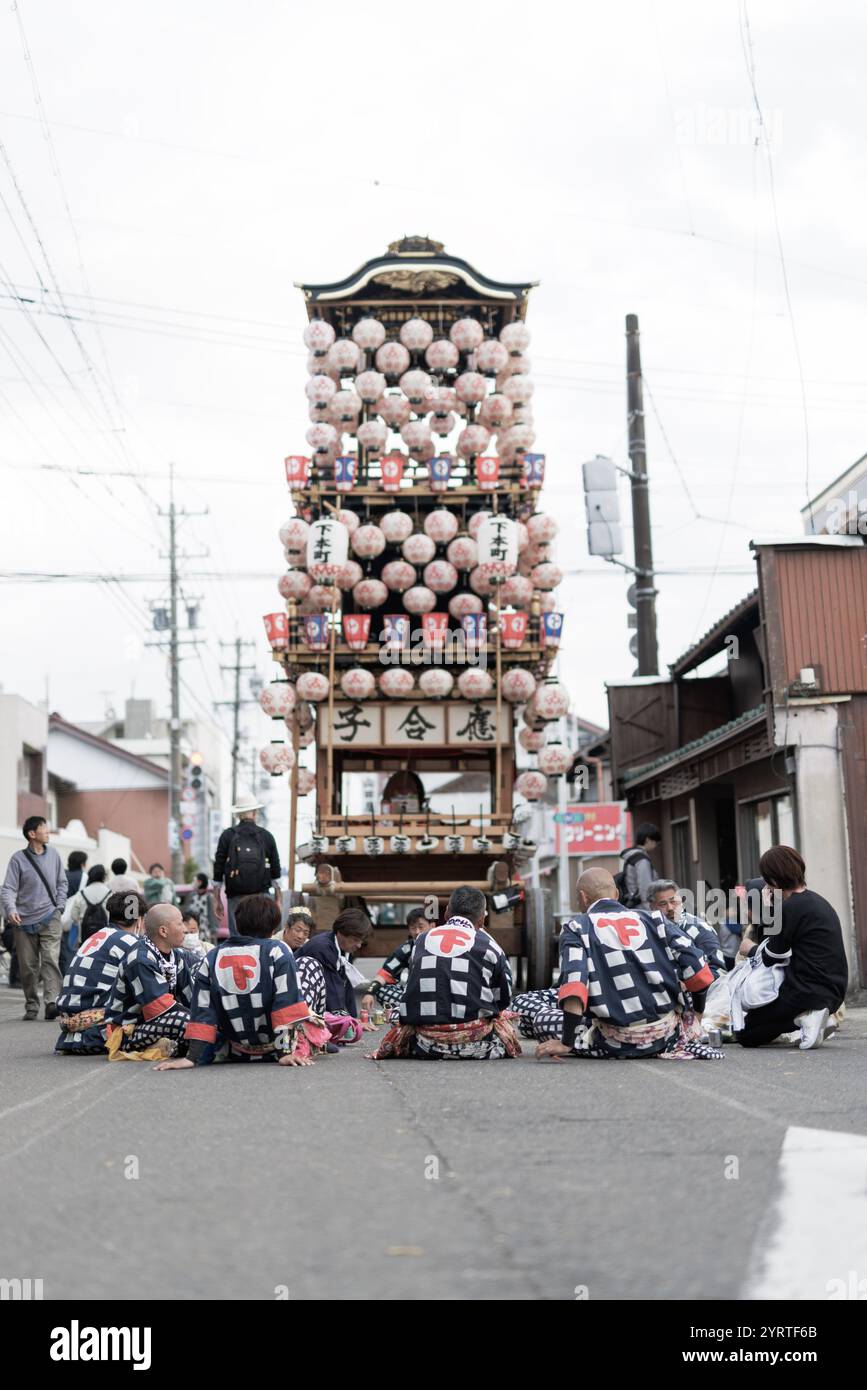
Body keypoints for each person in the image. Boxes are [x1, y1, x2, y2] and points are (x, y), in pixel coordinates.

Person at [531, 868, 720, 1061]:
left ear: (583, 897)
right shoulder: (655, 919)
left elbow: (574, 987)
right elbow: (700, 973)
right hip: (667, 1037)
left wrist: (566, 1042)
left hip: (614, 1042)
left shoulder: (577, 927)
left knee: (540, 1019)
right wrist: (697, 1014)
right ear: (616, 894)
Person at [155, 894, 324, 1070]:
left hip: (236, 1049)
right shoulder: (278, 951)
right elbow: (286, 1005)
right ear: (274, 928)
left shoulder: (212, 956)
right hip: (275, 1049)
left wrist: (191, 1058)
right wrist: (284, 1053)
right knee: (309, 964)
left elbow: (203, 1010)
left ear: (238, 924)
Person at [371, 886, 520, 1061]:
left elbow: (414, 985)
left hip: (424, 1044)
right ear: (481, 920)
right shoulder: (491, 946)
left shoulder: (421, 940)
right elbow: (503, 999)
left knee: (397, 1011)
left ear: (447, 914)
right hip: (478, 1044)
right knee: (508, 1013)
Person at [735, 846, 848, 1051]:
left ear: (774, 881)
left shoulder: (788, 908)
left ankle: (805, 1018)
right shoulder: (819, 902)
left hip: (804, 993)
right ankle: (816, 1018)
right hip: (834, 992)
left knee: (745, 1033)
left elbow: (771, 957)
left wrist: (751, 948)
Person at [55, 892, 147, 1054]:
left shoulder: (95, 937)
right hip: (99, 1032)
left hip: (70, 1031)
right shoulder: (131, 942)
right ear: (139, 920)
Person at [103, 903, 196, 1056]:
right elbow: (159, 1009)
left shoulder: (176, 957)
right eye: (180, 923)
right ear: (163, 931)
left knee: (203, 1021)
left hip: (156, 1024)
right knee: (184, 1021)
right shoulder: (140, 959)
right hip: (127, 1032)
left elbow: (191, 998)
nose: (185, 929)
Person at [1, 815, 67, 1020]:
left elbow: (62, 883)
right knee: (28, 967)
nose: (48, 832)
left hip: (50, 916)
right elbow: (9, 889)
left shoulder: (54, 855)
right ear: (32, 834)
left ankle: (51, 1002)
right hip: (23, 920)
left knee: (50, 960)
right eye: (44, 828)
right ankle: (31, 1004)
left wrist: (60, 906)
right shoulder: (18, 859)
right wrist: (11, 909)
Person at [646, 877, 726, 1016]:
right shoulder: (649, 933)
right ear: (652, 907)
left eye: (673, 901)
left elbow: (719, 971)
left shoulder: (699, 928)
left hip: (701, 1007)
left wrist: (690, 986)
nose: (670, 908)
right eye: (663, 904)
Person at [295, 908, 375, 1033]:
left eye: (361, 941)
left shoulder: (343, 947)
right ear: (341, 933)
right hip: (298, 1001)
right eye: (355, 940)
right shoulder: (322, 947)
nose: (359, 945)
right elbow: (333, 990)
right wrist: (348, 1021)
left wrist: (353, 1018)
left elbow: (346, 985)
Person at [212, 801, 282, 932]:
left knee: (238, 937)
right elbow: (276, 869)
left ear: (238, 815)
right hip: (262, 895)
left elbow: (218, 868)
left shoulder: (227, 835)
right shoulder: (266, 836)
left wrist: (217, 900)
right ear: (255, 813)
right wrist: (278, 900)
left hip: (235, 895)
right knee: (262, 934)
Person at [360, 905, 430, 1016]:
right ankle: (415, 1011)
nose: (417, 932)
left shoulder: (442, 945)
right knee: (380, 989)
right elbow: (385, 973)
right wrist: (369, 992)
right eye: (413, 928)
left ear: (432, 925)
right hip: (414, 996)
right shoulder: (407, 948)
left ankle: (412, 1012)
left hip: (438, 994)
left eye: (421, 927)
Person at [63, 865, 112, 946]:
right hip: (104, 936)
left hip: (84, 936)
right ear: (104, 877)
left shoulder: (81, 893)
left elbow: (74, 916)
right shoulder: (109, 893)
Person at [616, 822, 661, 909]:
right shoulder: (641, 860)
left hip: (634, 905)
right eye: (656, 842)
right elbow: (645, 889)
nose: (655, 846)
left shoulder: (633, 856)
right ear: (648, 840)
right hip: (641, 908)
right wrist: (650, 912)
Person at [60, 850, 88, 974]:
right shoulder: (83, 876)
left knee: (59, 950)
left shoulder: (62, 873)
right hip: (74, 917)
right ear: (82, 863)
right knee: (71, 949)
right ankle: (69, 977)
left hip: (58, 914)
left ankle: (59, 976)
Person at [187, 872, 213, 937]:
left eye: (194, 881)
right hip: (192, 929)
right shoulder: (191, 895)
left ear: (200, 882)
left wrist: (213, 930)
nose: (192, 883)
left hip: (205, 930)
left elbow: (212, 915)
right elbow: (187, 912)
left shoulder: (209, 897)